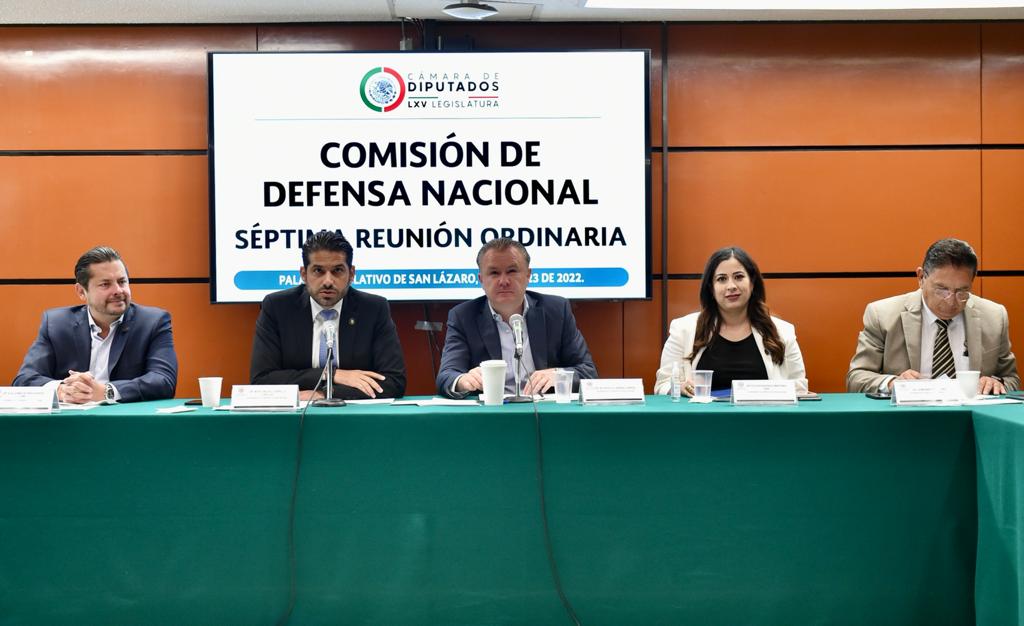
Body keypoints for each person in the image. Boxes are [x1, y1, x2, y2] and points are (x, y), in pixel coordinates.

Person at [847, 238, 1019, 394]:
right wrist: (892, 383)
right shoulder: (882, 315)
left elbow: (1012, 379)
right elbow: (856, 378)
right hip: (908, 415)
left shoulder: (994, 316)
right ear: (921, 277)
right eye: (942, 289)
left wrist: (997, 382)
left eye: (962, 291)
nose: (951, 301)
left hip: (971, 414)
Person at [250, 230, 406, 400]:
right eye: (318, 270)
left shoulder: (373, 309)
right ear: (304, 274)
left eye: (337, 270)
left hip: (351, 413)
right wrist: (331, 374)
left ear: (351, 274)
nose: (328, 281)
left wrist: (324, 394)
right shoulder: (277, 307)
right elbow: (262, 381)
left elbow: (393, 382)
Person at [13, 246, 178, 403]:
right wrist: (62, 390)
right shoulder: (56, 324)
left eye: (122, 281)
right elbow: (24, 379)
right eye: (105, 284)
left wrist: (107, 391)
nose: (118, 290)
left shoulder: (152, 322)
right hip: (69, 420)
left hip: (126, 419)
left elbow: (163, 381)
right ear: (81, 292)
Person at [437, 237, 597, 398]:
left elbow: (588, 372)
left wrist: (559, 375)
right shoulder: (463, 316)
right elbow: (447, 375)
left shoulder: (556, 310)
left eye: (512, 271)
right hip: (491, 409)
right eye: (494, 273)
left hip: (543, 407)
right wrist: (463, 381)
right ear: (481, 280)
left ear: (528, 275)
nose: (504, 281)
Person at [654, 247, 807, 396]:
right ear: (711, 288)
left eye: (739, 277)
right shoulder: (683, 329)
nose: (731, 286)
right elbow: (663, 384)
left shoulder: (783, 331)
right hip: (702, 414)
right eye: (721, 279)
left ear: (752, 282)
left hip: (763, 413)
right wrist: (679, 388)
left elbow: (800, 387)